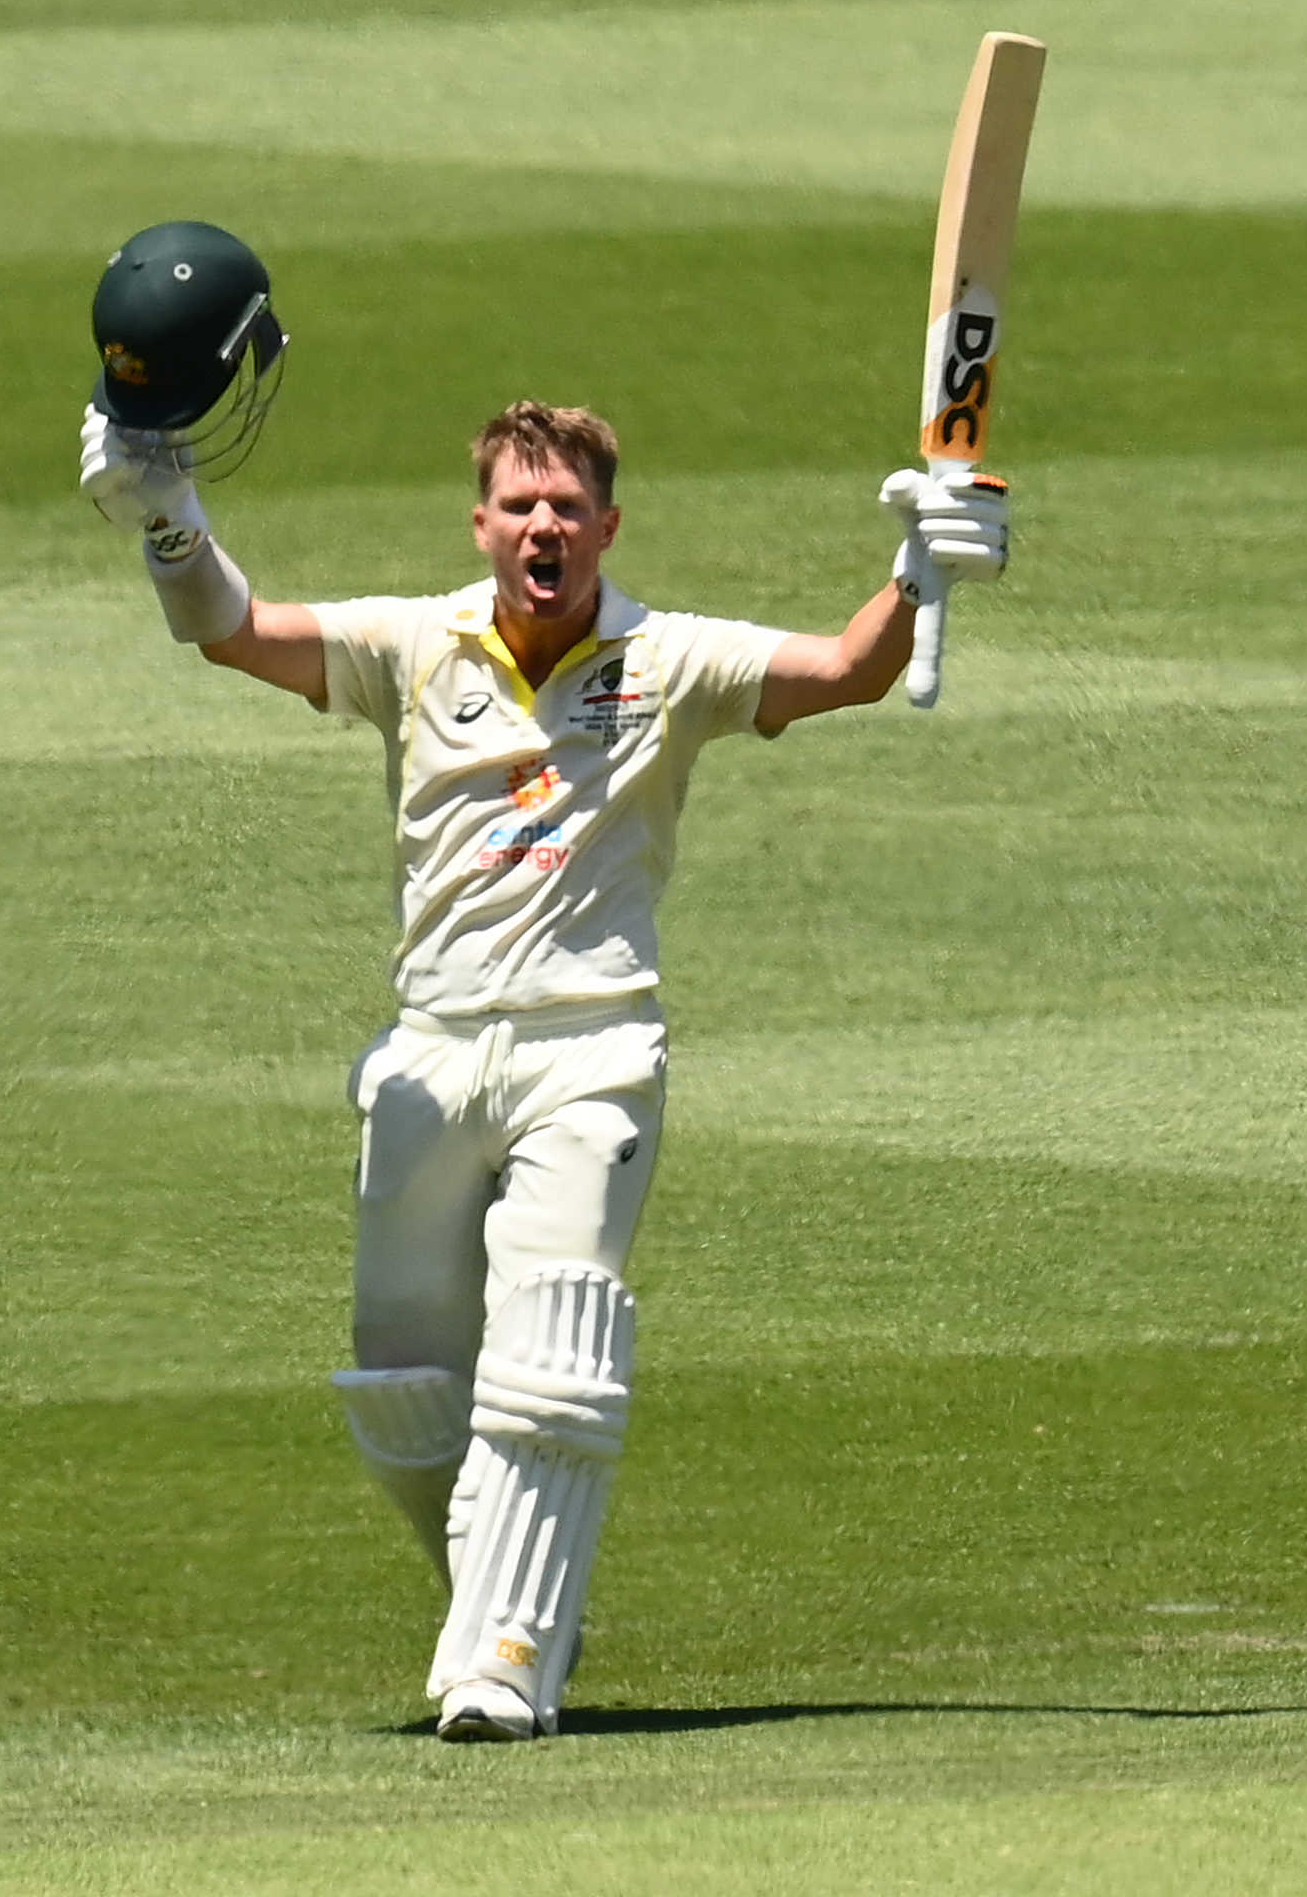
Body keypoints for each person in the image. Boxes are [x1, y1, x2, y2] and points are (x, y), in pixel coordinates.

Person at [77, 231, 1008, 1743]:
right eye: (521, 508)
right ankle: (493, 1595)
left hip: (593, 1049)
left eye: (569, 509)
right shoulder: (412, 642)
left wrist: (920, 569)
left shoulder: (673, 659)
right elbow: (235, 636)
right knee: (400, 1389)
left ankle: (507, 1656)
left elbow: (841, 671)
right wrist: (166, 518)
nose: (544, 530)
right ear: (484, 523)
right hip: (434, 1048)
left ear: (608, 523)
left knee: (552, 1350)